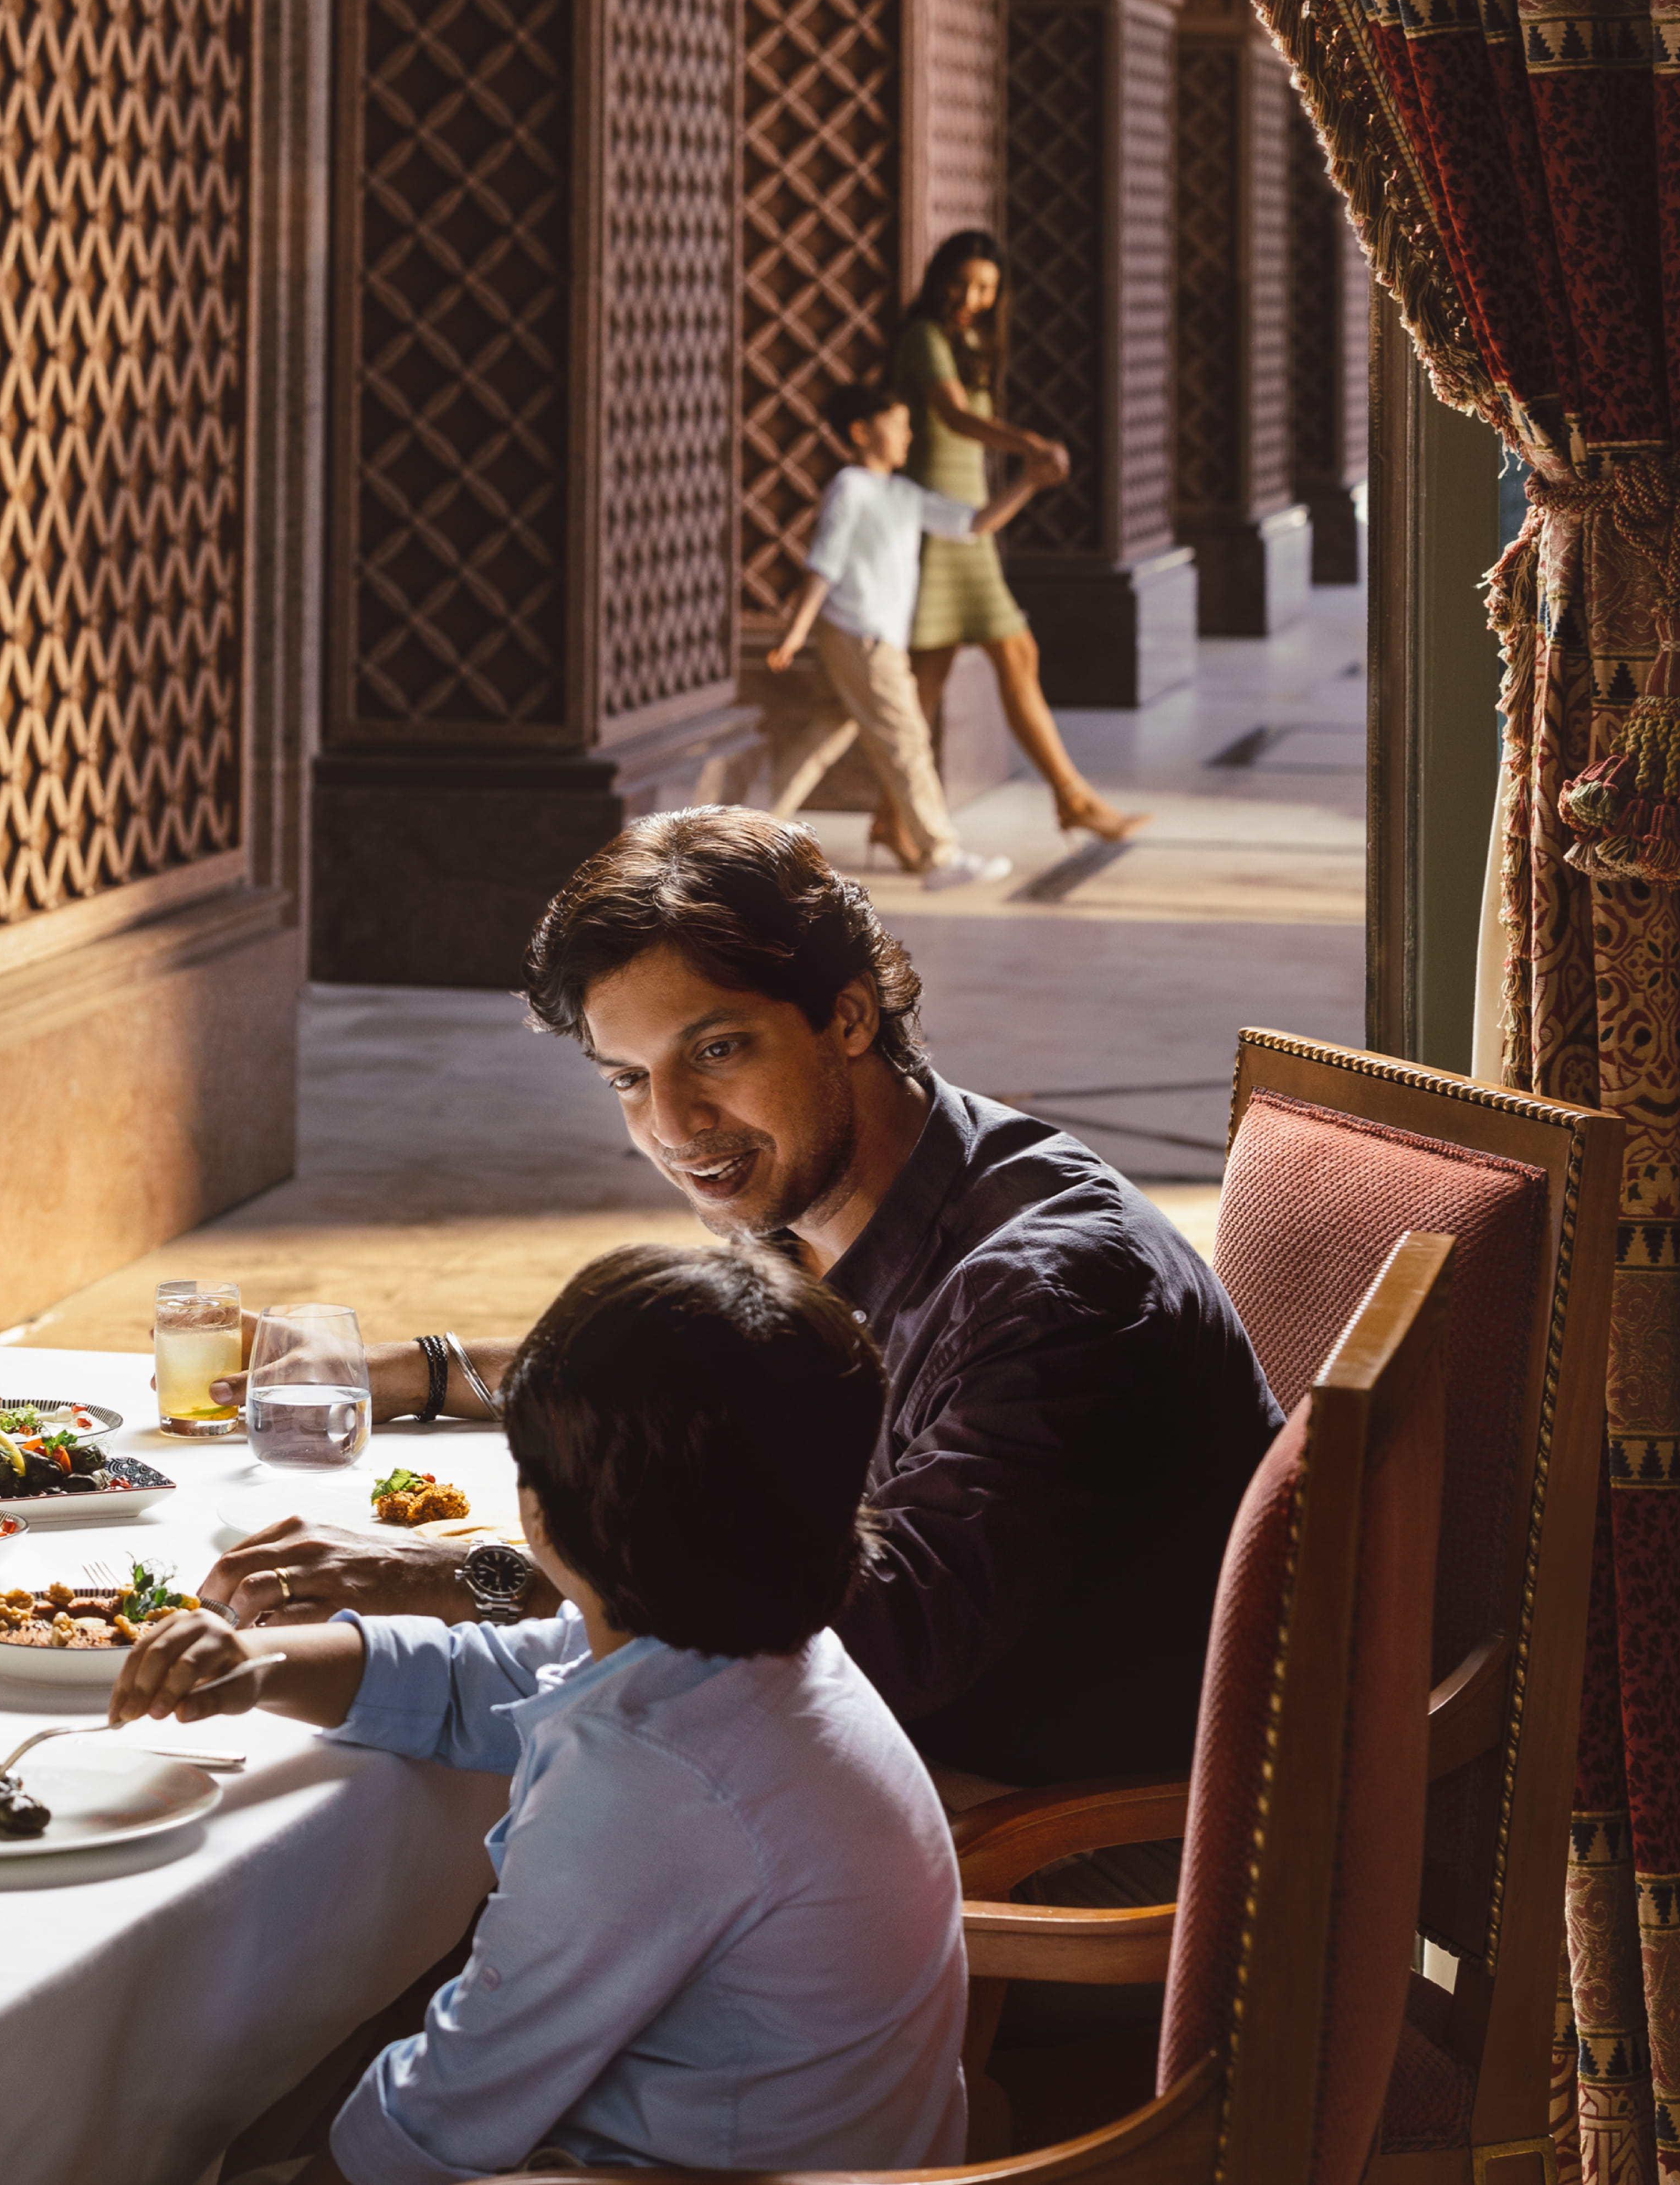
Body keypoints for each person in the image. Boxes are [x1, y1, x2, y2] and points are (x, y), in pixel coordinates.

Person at [209, 808, 1279, 1795]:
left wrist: (468, 1578)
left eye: (714, 1051)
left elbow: (856, 1640)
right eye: (627, 1079)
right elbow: (670, 1374)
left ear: (848, 1015)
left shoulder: (1049, 1291)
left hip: (1014, 1840)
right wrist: (408, 1375)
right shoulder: (831, 1202)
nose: (673, 1124)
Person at [123, 1241, 968, 2184]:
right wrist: (256, 1663)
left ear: (534, 1514)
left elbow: (444, 2116)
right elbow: (476, 1678)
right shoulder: (752, 1646)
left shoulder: (649, 1782)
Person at [889, 228, 1147, 845]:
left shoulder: (966, 339)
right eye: (961, 283)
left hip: (962, 525)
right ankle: (1070, 798)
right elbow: (952, 416)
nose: (971, 297)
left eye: (984, 288)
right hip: (937, 524)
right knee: (970, 665)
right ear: (938, 279)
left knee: (940, 674)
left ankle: (892, 816)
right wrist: (1028, 444)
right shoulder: (922, 336)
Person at [765, 378, 1060, 893]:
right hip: (860, 635)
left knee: (822, 736)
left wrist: (1028, 483)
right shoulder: (851, 488)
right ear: (861, 432)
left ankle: (739, 837)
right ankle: (938, 854)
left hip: (877, 639)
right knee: (907, 743)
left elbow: (973, 523)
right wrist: (796, 632)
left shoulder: (900, 494)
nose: (908, 436)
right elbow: (824, 565)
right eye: (898, 425)